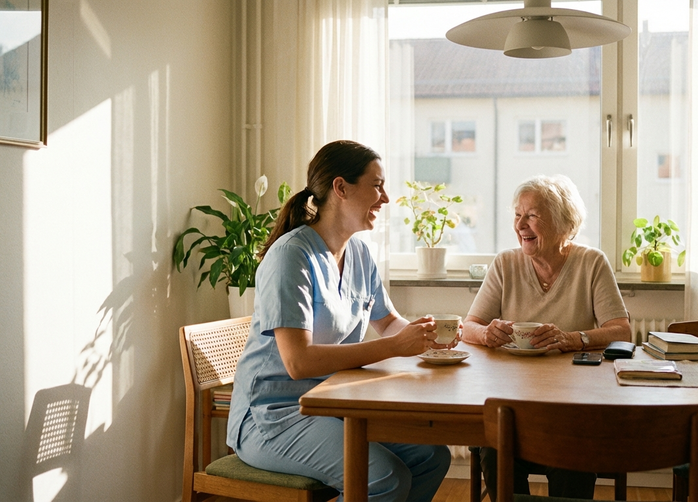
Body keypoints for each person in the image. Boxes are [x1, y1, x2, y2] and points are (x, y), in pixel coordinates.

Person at [226, 140, 453, 502]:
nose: (386, 198)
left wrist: (422, 337)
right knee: (387, 479)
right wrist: (394, 346)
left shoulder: (359, 253)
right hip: (274, 417)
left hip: (334, 406)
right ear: (341, 187)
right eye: (377, 185)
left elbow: (388, 321)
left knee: (430, 456)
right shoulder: (292, 257)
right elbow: (298, 362)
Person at [461, 174, 631, 500]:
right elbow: (468, 326)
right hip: (510, 403)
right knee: (495, 450)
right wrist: (487, 333)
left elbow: (620, 330)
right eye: (517, 214)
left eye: (533, 215)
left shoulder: (591, 262)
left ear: (565, 224)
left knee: (572, 457)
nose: (521, 224)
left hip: (571, 407)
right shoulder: (505, 263)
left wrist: (572, 339)